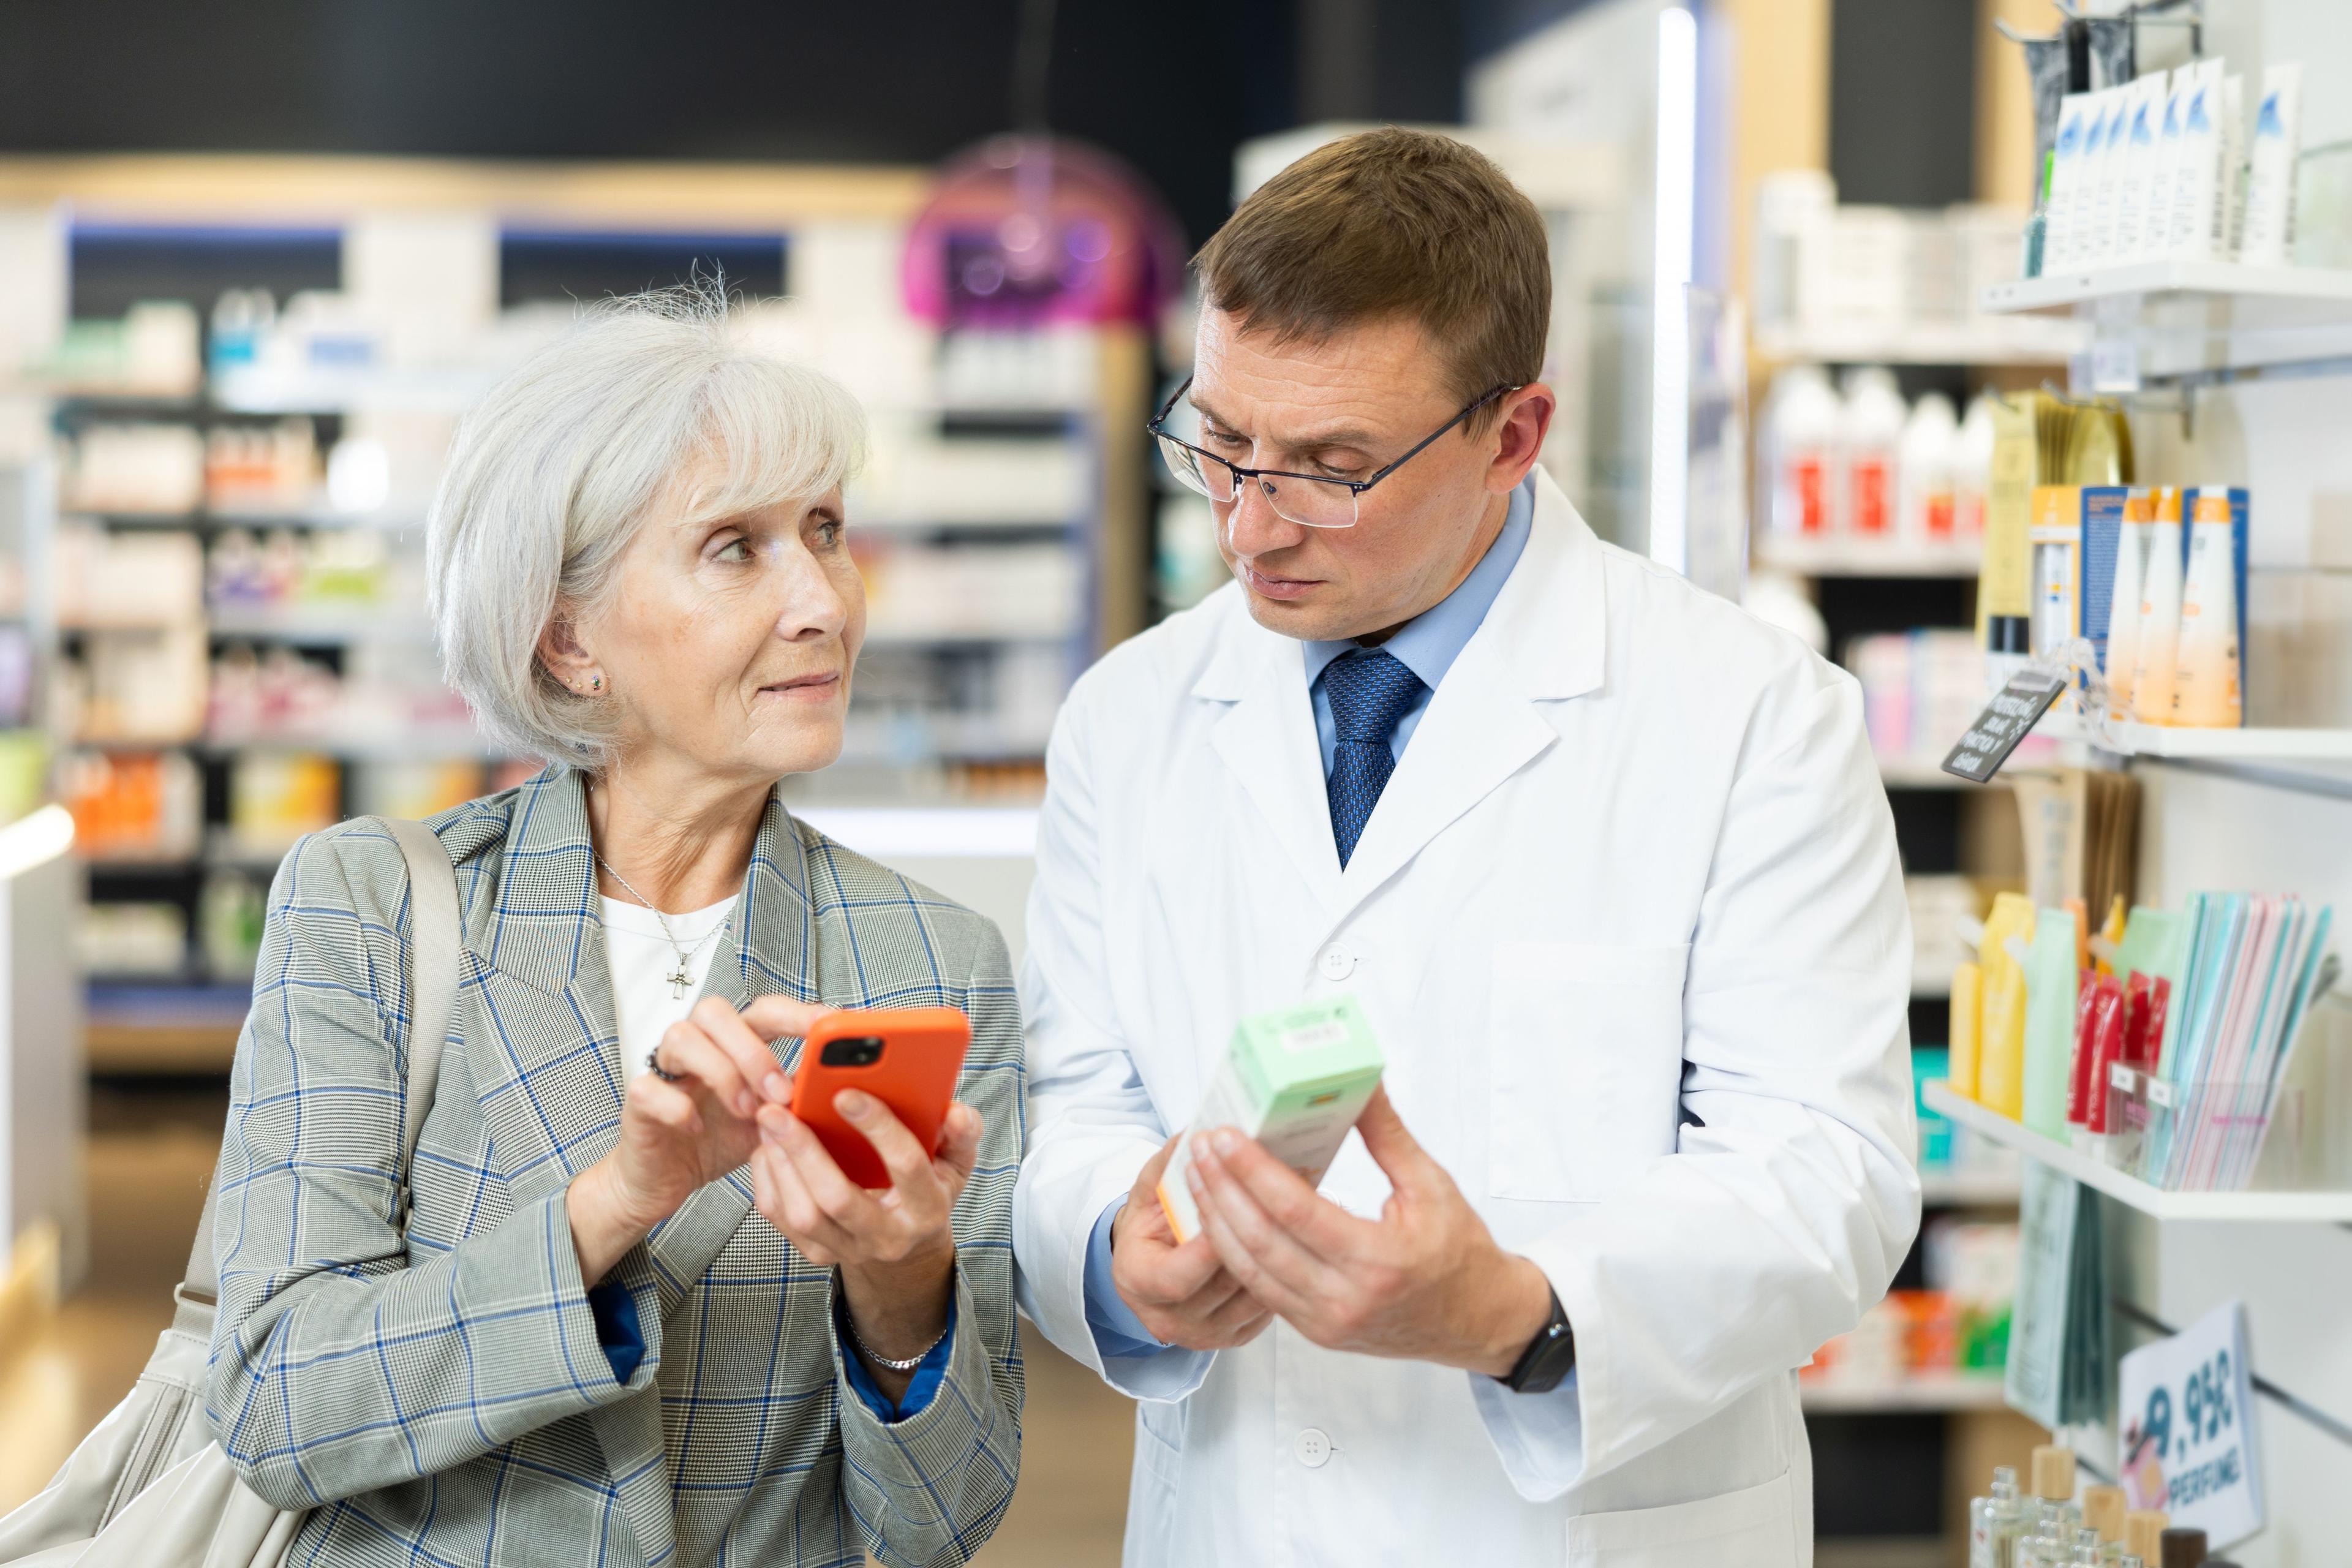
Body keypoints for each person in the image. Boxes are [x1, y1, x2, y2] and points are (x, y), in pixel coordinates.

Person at [1012, 128, 1918, 1565]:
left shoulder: (1753, 718)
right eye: (1223, 444)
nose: (1251, 525)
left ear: (1513, 434)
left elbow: (1827, 1168)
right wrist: (1117, 1255)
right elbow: (1072, 1106)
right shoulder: (1129, 719)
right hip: (1241, 1515)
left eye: (1329, 467)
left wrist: (1512, 1309)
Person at [204, 290, 1024, 1568]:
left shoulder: (931, 962)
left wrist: (905, 1280)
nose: (823, 600)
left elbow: (945, 1517)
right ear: (568, 636)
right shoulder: (374, 906)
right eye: (735, 548)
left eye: (824, 529)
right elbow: (275, 1403)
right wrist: (618, 1199)